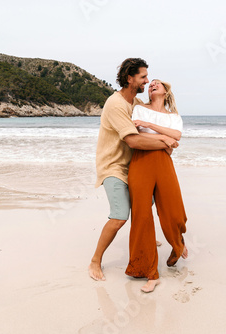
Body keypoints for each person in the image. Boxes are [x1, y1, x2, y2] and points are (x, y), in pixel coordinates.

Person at [88, 59, 179, 281]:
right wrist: (168, 142)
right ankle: (95, 261)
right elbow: (134, 141)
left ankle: (148, 239)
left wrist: (167, 137)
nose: (147, 81)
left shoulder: (137, 102)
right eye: (143, 77)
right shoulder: (116, 104)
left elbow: (154, 126)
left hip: (133, 166)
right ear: (130, 78)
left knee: (146, 205)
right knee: (120, 216)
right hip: (113, 167)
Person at [125, 79, 188, 292]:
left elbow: (177, 137)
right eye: (150, 83)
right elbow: (137, 136)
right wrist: (165, 138)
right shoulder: (139, 109)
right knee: (142, 215)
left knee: (173, 212)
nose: (152, 84)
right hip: (141, 161)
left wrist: (151, 126)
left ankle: (178, 244)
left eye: (157, 83)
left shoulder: (174, 117)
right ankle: (149, 272)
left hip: (163, 163)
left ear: (166, 91)